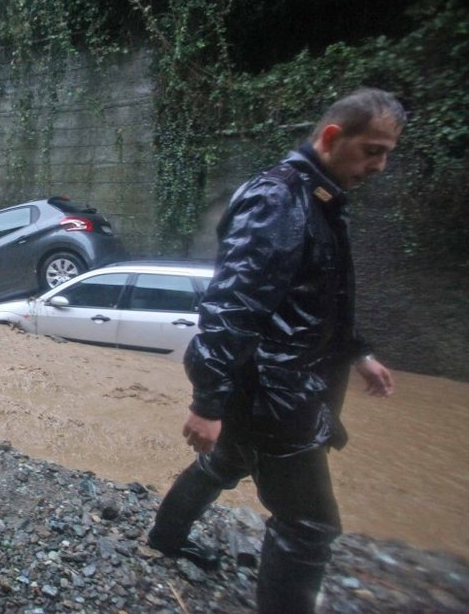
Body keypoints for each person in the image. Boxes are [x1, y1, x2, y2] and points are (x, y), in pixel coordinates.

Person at [147, 88, 406, 614]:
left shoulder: (319, 199)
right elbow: (231, 306)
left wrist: (358, 353)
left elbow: (319, 297)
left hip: (285, 388)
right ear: (332, 137)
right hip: (276, 397)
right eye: (372, 150)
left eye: (388, 154)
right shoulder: (280, 200)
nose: (380, 165)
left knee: (221, 467)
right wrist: (208, 402)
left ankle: (166, 538)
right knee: (309, 526)